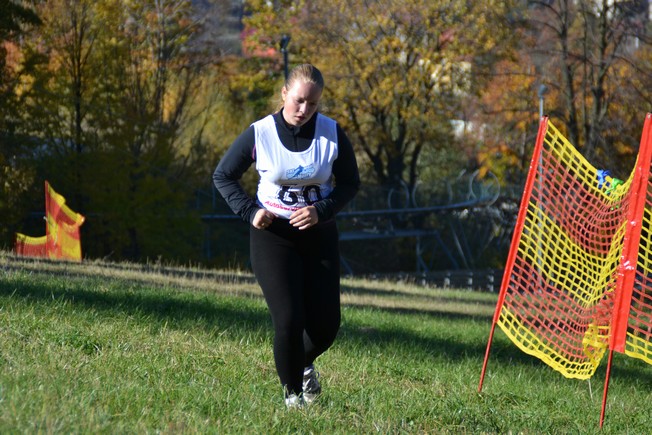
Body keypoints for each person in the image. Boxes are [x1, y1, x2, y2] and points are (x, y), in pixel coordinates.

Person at [212, 63, 360, 408]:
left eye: (313, 103)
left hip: (319, 235)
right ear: (283, 94)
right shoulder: (260, 133)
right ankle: (293, 398)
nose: (304, 110)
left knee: (325, 327)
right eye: (298, 100)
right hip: (273, 236)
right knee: (289, 320)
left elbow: (350, 183)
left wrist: (322, 210)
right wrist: (251, 212)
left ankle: (302, 364)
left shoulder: (332, 133)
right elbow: (223, 176)